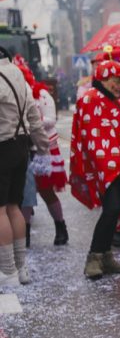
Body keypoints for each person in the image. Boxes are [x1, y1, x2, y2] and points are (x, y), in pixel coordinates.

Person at [70, 59, 120, 279]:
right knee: (111, 209)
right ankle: (94, 257)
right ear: (103, 78)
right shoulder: (91, 98)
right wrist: (110, 165)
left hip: (119, 165)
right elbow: (93, 137)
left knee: (115, 209)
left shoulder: (112, 99)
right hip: (106, 167)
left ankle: (106, 256)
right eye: (117, 81)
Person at [0, 47, 51, 288]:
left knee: (0, 211)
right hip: (21, 145)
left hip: (1, 145)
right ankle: (21, 269)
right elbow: (32, 113)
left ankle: (7, 272)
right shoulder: (17, 74)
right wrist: (42, 145)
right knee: (14, 206)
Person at [15, 58, 68, 246]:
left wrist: (31, 121)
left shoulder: (41, 94)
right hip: (22, 148)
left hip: (43, 149)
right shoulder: (13, 95)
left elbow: (51, 120)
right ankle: (25, 233)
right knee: (24, 194)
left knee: (46, 191)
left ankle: (60, 226)